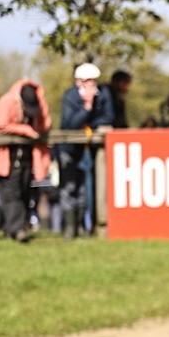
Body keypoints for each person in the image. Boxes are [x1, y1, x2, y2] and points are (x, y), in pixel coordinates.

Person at [0, 79, 52, 242]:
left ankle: (14, 229)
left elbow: (46, 124)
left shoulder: (37, 99)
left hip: (27, 157)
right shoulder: (6, 102)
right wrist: (26, 130)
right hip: (7, 157)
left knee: (23, 191)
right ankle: (17, 230)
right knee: (10, 193)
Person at [58, 62, 114, 239]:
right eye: (87, 81)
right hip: (68, 149)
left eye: (94, 81)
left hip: (87, 151)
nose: (91, 85)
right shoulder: (70, 96)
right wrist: (86, 108)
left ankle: (82, 227)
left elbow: (109, 116)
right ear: (78, 82)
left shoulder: (104, 94)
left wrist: (91, 124)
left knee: (83, 189)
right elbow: (69, 125)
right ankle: (69, 228)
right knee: (69, 188)